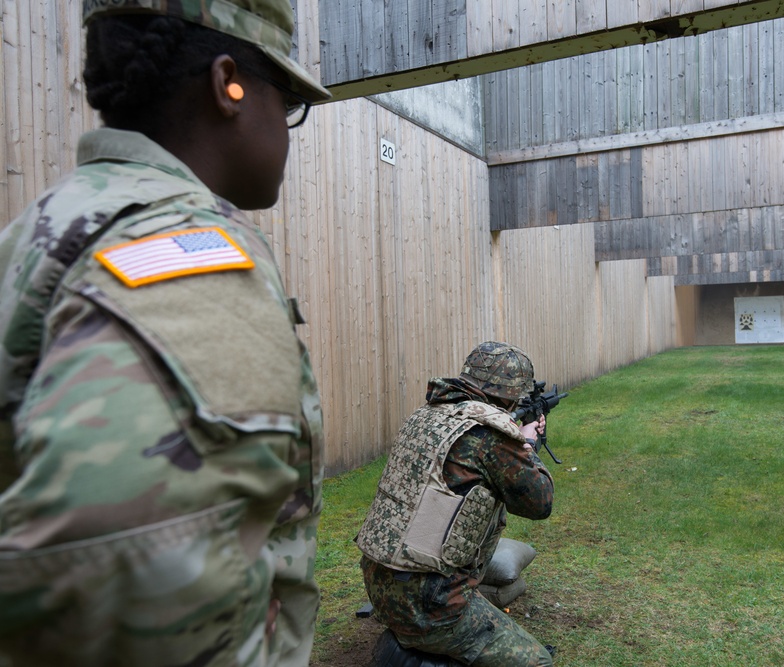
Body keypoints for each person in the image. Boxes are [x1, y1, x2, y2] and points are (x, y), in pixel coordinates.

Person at [0, 1, 331, 665]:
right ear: (228, 83)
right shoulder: (183, 248)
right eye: (289, 102)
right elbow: (121, 560)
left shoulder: (39, 230)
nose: (290, 131)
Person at [356, 341, 556, 666]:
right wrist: (527, 444)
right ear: (509, 394)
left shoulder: (427, 415)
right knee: (537, 662)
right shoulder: (492, 438)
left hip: (379, 582)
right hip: (429, 604)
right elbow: (539, 502)